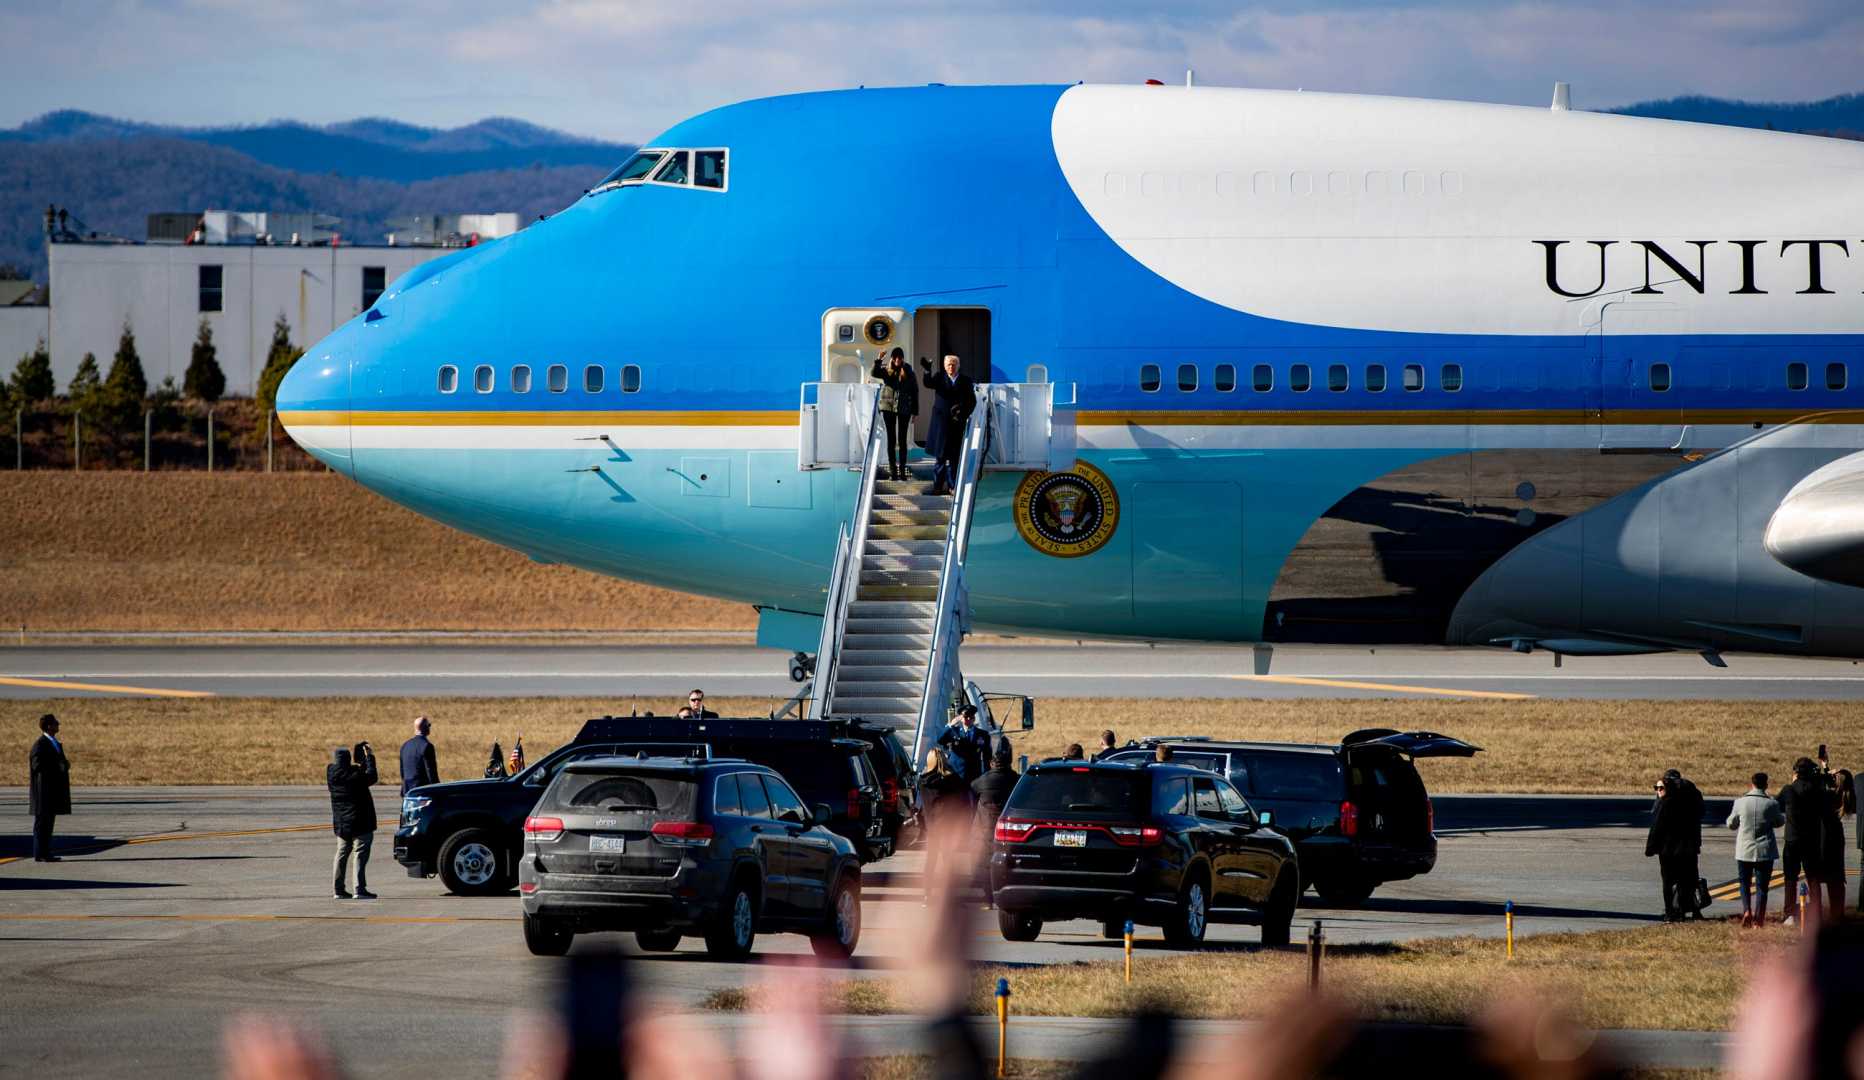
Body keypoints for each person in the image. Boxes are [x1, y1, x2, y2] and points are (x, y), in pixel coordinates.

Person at [1645, 768, 1704, 921]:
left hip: (1668, 848)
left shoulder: (1666, 799)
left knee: (1668, 881)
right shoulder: (1693, 792)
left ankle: (1671, 912)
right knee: (1690, 878)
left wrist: (1650, 847)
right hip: (1690, 845)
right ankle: (1692, 910)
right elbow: (1701, 813)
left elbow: (1657, 824)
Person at [1778, 756, 1831, 926]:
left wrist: (1793, 783)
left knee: (1790, 878)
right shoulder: (1817, 790)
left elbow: (1777, 805)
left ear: (1796, 772)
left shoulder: (1789, 789)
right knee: (1813, 878)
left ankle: (1789, 913)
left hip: (1793, 839)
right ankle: (1816, 912)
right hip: (1811, 839)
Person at [1726, 771, 1784, 927]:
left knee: (1744, 882)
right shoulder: (1772, 803)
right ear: (1766, 785)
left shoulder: (1740, 802)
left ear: (1751, 784)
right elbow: (1779, 822)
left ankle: (1747, 910)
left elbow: (1731, 824)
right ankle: (1759, 919)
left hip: (1744, 849)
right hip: (1765, 850)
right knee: (1762, 886)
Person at [918, 748, 972, 905]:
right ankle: (950, 896)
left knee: (931, 862)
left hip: (931, 827)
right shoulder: (953, 781)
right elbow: (963, 800)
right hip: (947, 826)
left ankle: (927, 895)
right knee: (948, 862)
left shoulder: (923, 782)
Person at [919, 354, 976, 497]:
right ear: (945, 366)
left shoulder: (965, 381)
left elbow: (972, 402)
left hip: (957, 424)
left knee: (954, 458)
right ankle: (937, 487)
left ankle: (952, 486)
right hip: (940, 424)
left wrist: (962, 412)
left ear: (958, 366)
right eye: (949, 364)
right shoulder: (939, 378)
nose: (951, 367)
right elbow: (928, 383)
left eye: (954, 364)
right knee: (940, 458)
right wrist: (927, 370)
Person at [970, 738, 1018, 909]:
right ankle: (1006, 897)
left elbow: (973, 789)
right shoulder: (1015, 780)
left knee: (985, 865)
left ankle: (988, 900)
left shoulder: (982, 781)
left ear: (992, 763)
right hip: (1007, 830)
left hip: (984, 829)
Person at [326, 743, 379, 900]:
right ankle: (359, 888)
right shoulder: (355, 775)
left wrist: (360, 763)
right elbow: (371, 776)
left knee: (341, 853)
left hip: (342, 823)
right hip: (360, 821)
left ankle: (338, 889)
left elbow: (359, 774)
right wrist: (369, 757)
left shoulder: (331, 773)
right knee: (360, 854)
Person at [870, 347, 918, 481]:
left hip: (904, 409)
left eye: (900, 357)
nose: (898, 359)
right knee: (891, 440)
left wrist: (915, 411)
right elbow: (873, 373)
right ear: (892, 358)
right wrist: (879, 359)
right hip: (888, 408)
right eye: (895, 357)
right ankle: (893, 472)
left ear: (902, 358)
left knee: (902, 441)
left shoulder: (908, 371)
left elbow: (915, 391)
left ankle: (902, 471)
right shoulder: (886, 370)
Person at [28, 713, 71, 862]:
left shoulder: (54, 742)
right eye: (55, 723)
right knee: (42, 825)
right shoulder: (40, 744)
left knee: (48, 824)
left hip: (52, 792)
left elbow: (61, 762)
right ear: (49, 726)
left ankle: (45, 853)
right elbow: (37, 765)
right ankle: (40, 854)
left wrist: (64, 765)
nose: (58, 724)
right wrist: (56, 767)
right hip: (43, 792)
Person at [936, 705, 990, 781]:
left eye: (971, 717)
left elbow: (987, 757)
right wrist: (950, 725)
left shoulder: (983, 734)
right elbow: (939, 740)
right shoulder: (953, 731)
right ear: (960, 718)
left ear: (974, 718)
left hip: (974, 775)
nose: (969, 719)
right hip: (955, 773)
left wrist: (986, 775)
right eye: (966, 716)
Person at [399, 716, 439, 796]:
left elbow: (402, 771)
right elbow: (431, 772)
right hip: (422, 791)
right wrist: (437, 789)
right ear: (425, 727)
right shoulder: (427, 746)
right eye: (429, 725)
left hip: (407, 790)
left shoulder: (405, 745)